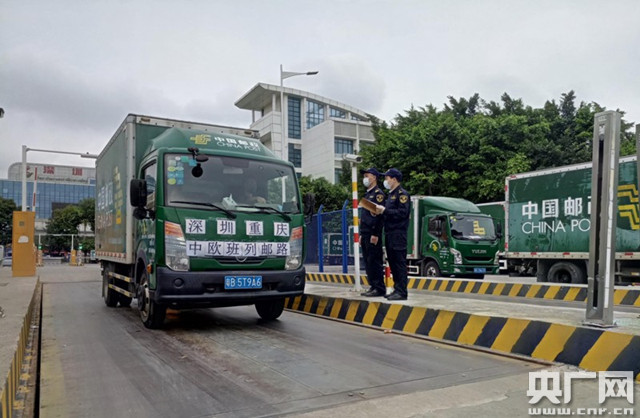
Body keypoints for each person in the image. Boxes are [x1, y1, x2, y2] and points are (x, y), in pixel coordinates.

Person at [375, 168, 411, 301]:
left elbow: (402, 213)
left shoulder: (402, 194)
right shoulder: (391, 195)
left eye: (387, 178)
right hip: (390, 233)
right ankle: (397, 289)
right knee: (393, 263)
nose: (385, 181)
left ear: (394, 179)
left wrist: (384, 211)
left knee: (399, 263)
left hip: (398, 233)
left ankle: (402, 292)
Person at [359, 168, 386, 297]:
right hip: (365, 233)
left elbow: (379, 217)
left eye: (367, 175)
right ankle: (373, 285)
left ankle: (379, 288)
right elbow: (365, 217)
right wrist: (361, 234)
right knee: (368, 261)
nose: (365, 178)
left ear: (374, 177)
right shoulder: (367, 195)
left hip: (372, 233)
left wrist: (375, 234)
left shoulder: (378, 194)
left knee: (374, 260)